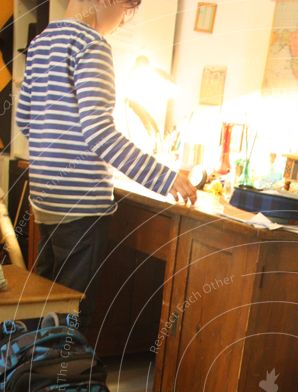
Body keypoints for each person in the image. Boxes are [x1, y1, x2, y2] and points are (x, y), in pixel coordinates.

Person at [15, 0, 197, 333]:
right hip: (81, 205)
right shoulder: (91, 46)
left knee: (47, 305)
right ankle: (63, 382)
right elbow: (100, 134)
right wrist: (164, 177)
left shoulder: (40, 43)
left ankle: (35, 379)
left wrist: (54, 149)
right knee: (74, 309)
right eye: (127, 10)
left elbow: (24, 119)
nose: (123, 21)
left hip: (45, 201)